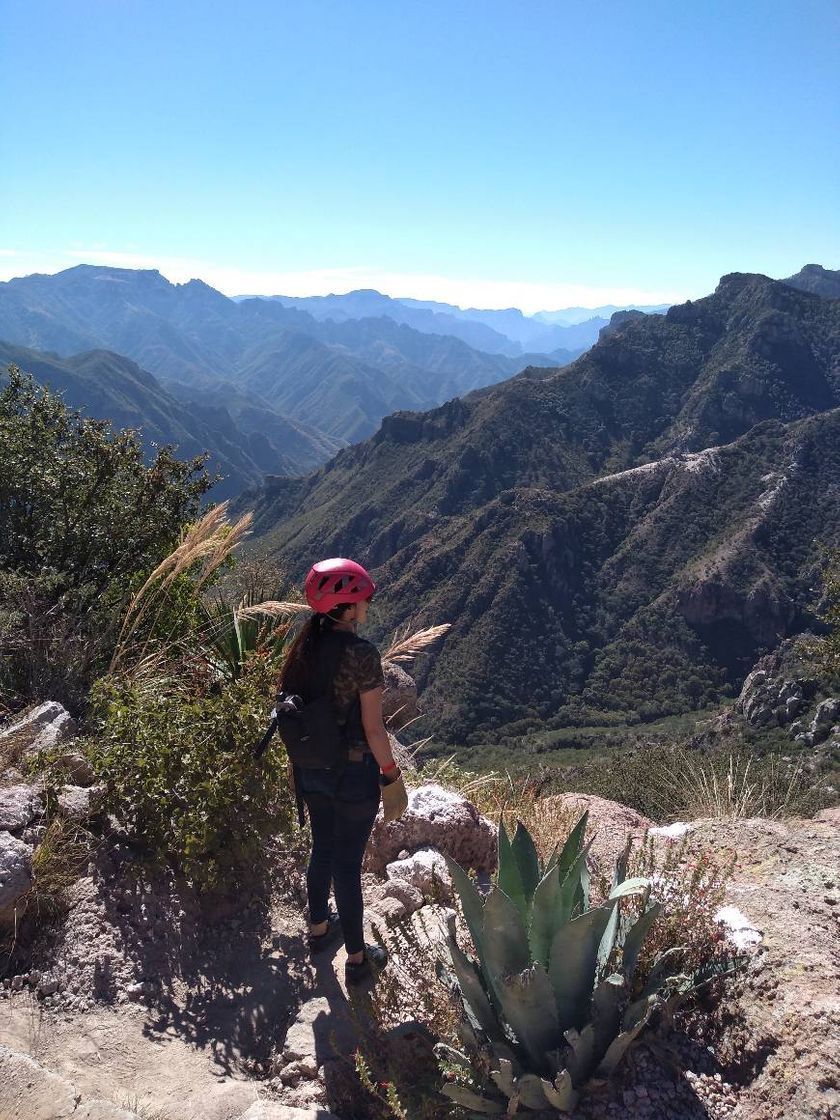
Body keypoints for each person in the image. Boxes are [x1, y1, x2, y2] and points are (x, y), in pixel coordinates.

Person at [277, 557, 408, 985]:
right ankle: (357, 959)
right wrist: (391, 775)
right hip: (353, 774)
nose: (367, 604)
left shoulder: (303, 649)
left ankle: (319, 929)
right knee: (348, 866)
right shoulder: (362, 654)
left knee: (323, 848)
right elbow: (373, 727)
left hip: (311, 770)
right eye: (362, 599)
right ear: (346, 607)